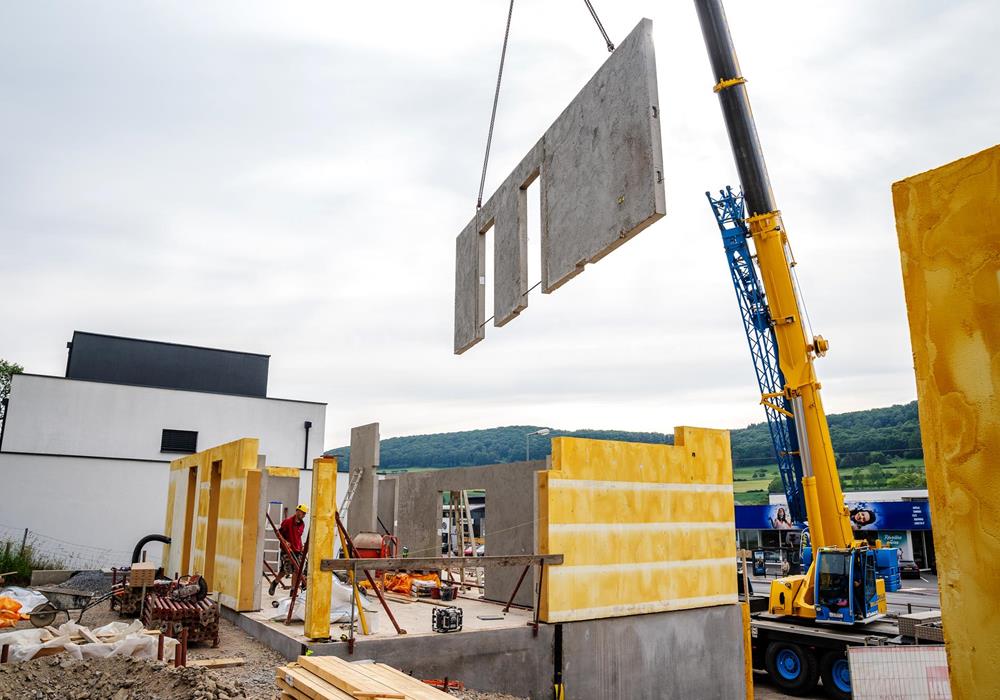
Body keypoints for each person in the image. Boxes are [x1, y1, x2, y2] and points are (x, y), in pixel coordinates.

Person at [269, 504, 308, 596]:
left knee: (297, 570)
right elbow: (279, 534)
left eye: (305, 514)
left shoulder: (302, 524)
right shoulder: (287, 522)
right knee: (286, 570)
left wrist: (301, 546)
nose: (304, 515)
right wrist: (285, 542)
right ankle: (275, 582)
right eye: (303, 513)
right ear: (298, 511)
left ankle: (293, 591)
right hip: (287, 550)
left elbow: (297, 537)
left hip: (297, 550)